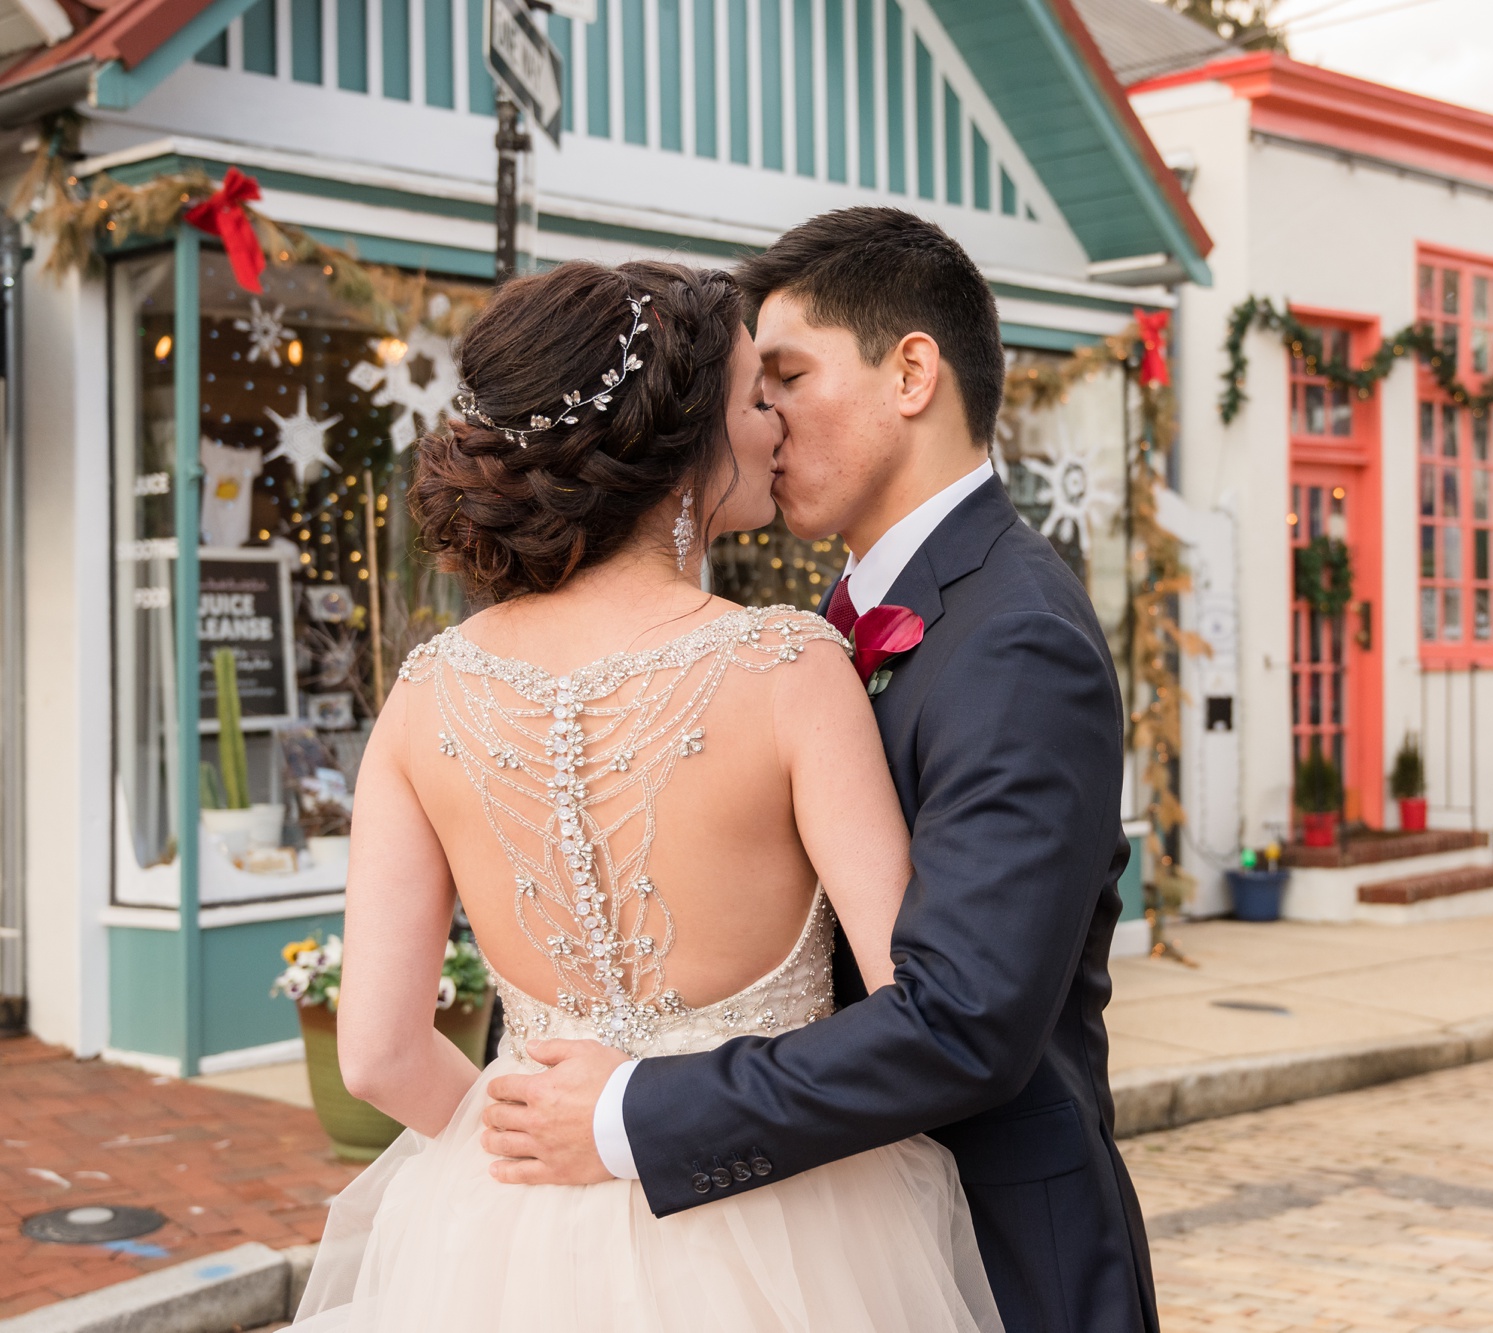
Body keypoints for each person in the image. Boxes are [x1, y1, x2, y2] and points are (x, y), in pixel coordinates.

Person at [287, 258, 1001, 1331]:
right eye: (754, 398)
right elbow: (918, 1005)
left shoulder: (426, 693)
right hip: (788, 1223)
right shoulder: (787, 666)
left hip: (506, 1245)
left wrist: (524, 1150)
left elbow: (380, 1053)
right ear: (681, 444)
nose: (774, 427)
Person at [480, 208, 1160, 1332]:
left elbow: (963, 1021)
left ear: (910, 373)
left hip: (992, 1261)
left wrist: (628, 1110)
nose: (759, 418)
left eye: (787, 375)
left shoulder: (1015, 634)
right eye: (757, 388)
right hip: (813, 1241)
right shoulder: (815, 629)